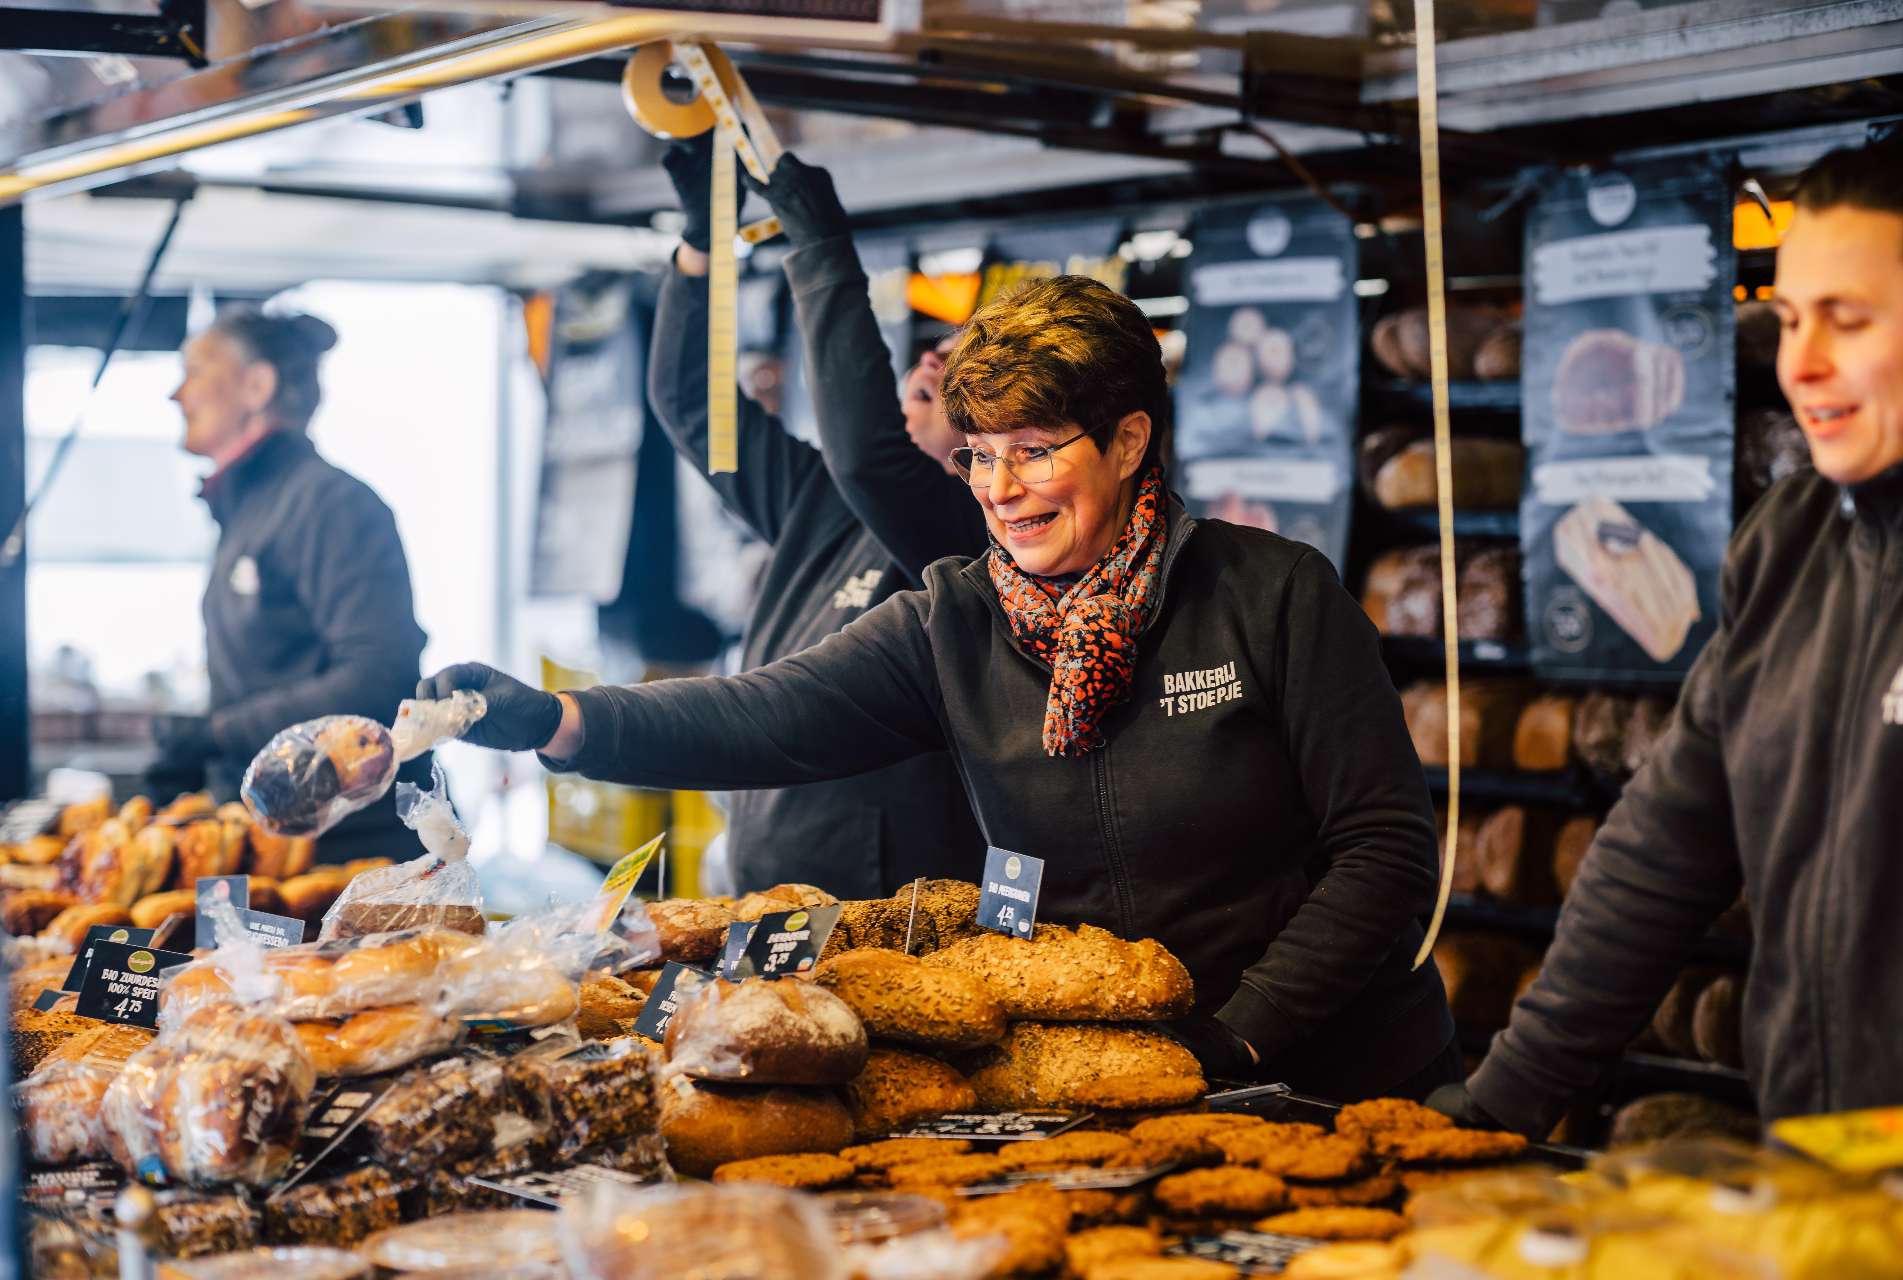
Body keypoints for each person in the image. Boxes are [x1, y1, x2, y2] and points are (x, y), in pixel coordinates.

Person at [424, 274, 1458, 1099]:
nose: (1000, 491)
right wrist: (557, 720)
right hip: (1116, 1081)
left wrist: (1237, 1035)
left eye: (1035, 452)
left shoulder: (1273, 594)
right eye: (980, 457)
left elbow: (1385, 851)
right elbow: (764, 715)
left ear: (1130, 440)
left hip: (1333, 1071)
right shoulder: (955, 617)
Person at [1429, 135, 1903, 1136]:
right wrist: (1499, 1103)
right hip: (1827, 1177)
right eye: (1786, 319)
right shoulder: (1787, 547)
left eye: (1848, 319)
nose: (1803, 364)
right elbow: (1666, 845)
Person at [644, 135, 986, 898]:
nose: (932, 359)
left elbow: (871, 452)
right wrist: (704, 246)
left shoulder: (974, 538)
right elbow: (690, 403)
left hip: (880, 910)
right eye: (935, 349)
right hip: (763, 878)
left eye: (962, 365)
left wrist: (823, 249)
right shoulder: (821, 499)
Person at [147, 307, 427, 863]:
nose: (176, 395)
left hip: (348, 853)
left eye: (195, 371)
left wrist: (220, 732)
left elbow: (378, 676)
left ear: (257, 385)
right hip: (273, 832)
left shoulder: (332, 505)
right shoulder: (250, 509)